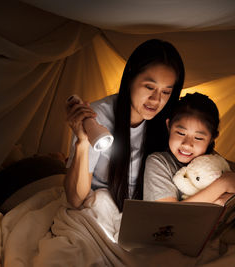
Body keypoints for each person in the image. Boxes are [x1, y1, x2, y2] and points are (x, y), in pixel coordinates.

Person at [65, 39, 185, 211]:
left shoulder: (168, 120)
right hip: (99, 208)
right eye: (149, 87)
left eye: (166, 92)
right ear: (130, 78)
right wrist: (82, 142)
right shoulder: (97, 117)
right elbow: (75, 200)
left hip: (143, 211)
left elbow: (208, 156)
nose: (156, 100)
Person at [143, 92, 235, 205]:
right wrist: (221, 187)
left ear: (212, 138)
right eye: (180, 133)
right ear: (169, 125)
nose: (187, 144)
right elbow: (168, 213)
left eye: (198, 138)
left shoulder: (212, 160)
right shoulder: (159, 163)